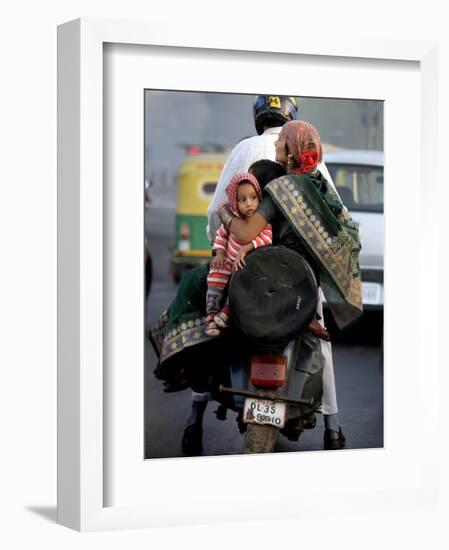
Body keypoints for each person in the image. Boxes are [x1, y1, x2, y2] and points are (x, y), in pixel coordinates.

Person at [218, 120, 363, 450]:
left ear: (293, 151)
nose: (276, 147)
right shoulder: (321, 188)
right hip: (306, 294)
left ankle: (204, 398)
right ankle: (333, 425)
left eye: (282, 142)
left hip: (270, 284)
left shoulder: (280, 190)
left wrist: (227, 213)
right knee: (323, 350)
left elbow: (243, 234)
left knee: (224, 318)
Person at [207, 95, 337, 241]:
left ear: (290, 150)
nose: (275, 143)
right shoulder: (316, 178)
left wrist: (222, 211)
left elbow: (241, 231)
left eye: (280, 140)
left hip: (264, 258)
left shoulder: (280, 188)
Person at [205, 172, 272, 336]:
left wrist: (247, 247)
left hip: (246, 264)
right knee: (215, 275)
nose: (249, 204)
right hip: (228, 261)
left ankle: (227, 310)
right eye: (242, 200)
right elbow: (221, 235)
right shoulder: (232, 221)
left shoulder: (260, 221)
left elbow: (267, 238)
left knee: (242, 285)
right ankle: (211, 316)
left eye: (253, 198)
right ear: (234, 203)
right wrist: (219, 254)